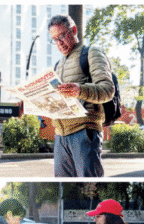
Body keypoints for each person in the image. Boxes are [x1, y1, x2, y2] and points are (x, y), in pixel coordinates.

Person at [48, 14, 115, 177]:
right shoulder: (58, 65)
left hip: (84, 132)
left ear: (74, 30)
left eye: (62, 36)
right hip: (60, 136)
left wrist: (80, 90)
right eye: (55, 39)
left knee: (89, 183)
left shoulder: (91, 53)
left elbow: (108, 89)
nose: (59, 43)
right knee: (63, 186)